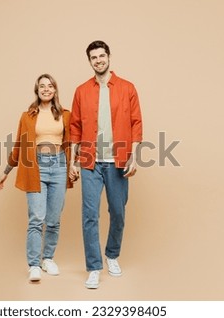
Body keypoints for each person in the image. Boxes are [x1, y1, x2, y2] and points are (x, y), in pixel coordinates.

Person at [69, 40, 143, 289]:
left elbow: (136, 123)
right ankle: (93, 267)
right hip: (90, 160)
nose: (98, 60)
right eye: (93, 57)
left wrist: (133, 156)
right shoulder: (81, 91)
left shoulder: (127, 88)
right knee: (89, 214)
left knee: (118, 211)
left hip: (118, 160)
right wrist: (73, 162)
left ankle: (112, 254)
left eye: (102, 56)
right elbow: (75, 127)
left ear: (109, 57)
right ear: (89, 61)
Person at [0, 73, 74, 283]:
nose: (46, 89)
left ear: (55, 90)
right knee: (37, 218)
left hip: (59, 165)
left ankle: (48, 258)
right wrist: (6, 171)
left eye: (50, 86)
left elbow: (72, 143)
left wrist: (73, 165)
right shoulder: (27, 116)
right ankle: (34, 265)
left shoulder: (66, 115)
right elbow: (19, 146)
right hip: (35, 166)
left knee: (54, 220)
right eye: (42, 86)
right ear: (37, 90)